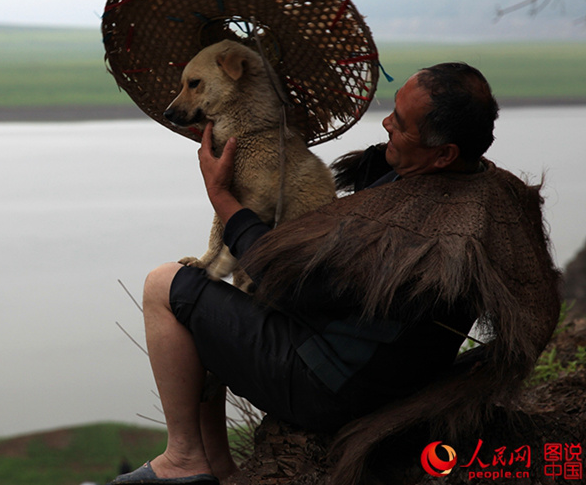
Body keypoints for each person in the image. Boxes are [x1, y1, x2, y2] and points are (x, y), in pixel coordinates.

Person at [111, 63, 560, 485]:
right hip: (387, 374)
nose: (387, 125)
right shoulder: (488, 190)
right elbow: (361, 183)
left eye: (400, 123)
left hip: (332, 388)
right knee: (212, 300)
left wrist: (223, 195)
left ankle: (183, 458)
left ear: (444, 154)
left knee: (166, 285)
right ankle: (215, 467)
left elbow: (285, 286)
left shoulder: (414, 229)